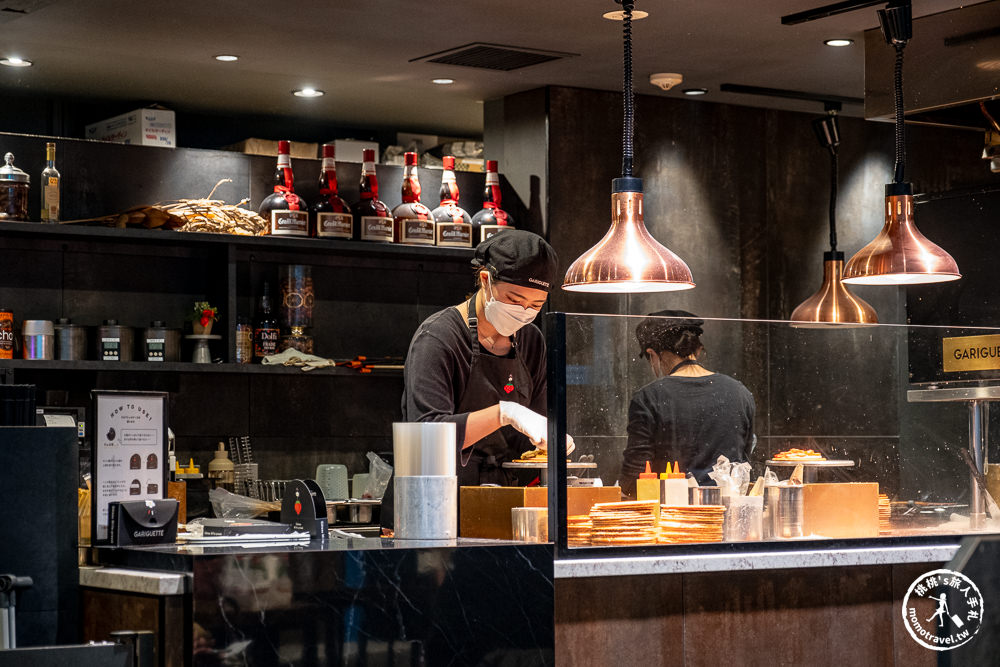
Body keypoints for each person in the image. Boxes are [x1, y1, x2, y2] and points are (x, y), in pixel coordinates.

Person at [402, 229, 572, 488]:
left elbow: (527, 435)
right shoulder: (438, 337)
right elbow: (425, 438)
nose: (524, 311)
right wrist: (505, 412)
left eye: (536, 305)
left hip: (500, 499)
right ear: (485, 280)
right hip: (433, 502)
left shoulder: (531, 341)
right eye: (514, 300)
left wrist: (549, 439)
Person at [620, 310, 755, 496]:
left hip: (674, 516)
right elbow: (745, 461)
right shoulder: (740, 392)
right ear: (697, 350)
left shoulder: (648, 398)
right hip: (728, 513)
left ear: (653, 354)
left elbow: (634, 477)